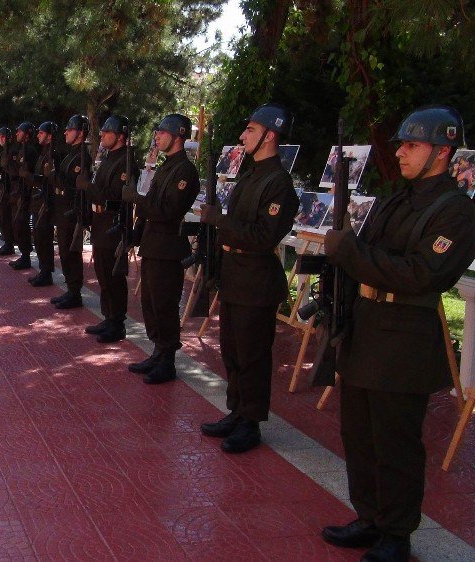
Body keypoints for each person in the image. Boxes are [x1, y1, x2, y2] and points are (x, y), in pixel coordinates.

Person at [320, 106, 475, 562]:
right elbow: (367, 251)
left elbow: (422, 275)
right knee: (359, 434)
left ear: (442, 151)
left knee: (396, 444)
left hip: (404, 336)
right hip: (366, 326)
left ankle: (396, 533)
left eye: (412, 145)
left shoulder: (456, 212)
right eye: (403, 145)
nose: (402, 153)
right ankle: (369, 517)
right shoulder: (397, 198)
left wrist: (351, 253)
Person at [197, 103, 299, 453]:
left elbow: (261, 237)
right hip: (235, 275)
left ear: (270, 135)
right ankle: (237, 412)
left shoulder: (279, 184)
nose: (243, 136)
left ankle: (251, 423)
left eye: (251, 130)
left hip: (257, 280)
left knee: (253, 356)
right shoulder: (251, 175)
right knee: (233, 351)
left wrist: (219, 221)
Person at [121, 113, 200, 383]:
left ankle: (168, 360)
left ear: (178, 136)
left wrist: (137, 202)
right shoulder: (165, 167)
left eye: (162, 133)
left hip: (169, 246)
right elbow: (152, 201)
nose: (157, 136)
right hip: (153, 244)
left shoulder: (185, 171)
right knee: (150, 302)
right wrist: (136, 232)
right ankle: (157, 351)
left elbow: (168, 210)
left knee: (165, 304)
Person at [83, 115, 138, 343]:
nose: (102, 135)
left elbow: (114, 195)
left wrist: (89, 188)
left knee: (114, 276)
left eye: (107, 132)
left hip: (113, 224)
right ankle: (108, 316)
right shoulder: (109, 159)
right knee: (103, 274)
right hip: (100, 223)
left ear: (121, 136)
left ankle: (117, 322)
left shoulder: (125, 162)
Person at [51, 114, 91, 310]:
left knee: (71, 253)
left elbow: (72, 184)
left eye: (70, 128)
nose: (65, 132)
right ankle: (71, 290)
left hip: (71, 211)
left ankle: (75, 293)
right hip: (62, 208)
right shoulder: (71, 154)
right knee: (65, 252)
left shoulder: (82, 156)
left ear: (81, 132)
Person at [28, 121, 63, 287]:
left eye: (41, 133)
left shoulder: (53, 153)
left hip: (47, 201)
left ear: (50, 135)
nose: (38, 135)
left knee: (44, 237)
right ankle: (43, 270)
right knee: (38, 237)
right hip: (38, 199)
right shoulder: (43, 152)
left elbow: (53, 178)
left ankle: (47, 272)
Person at [9, 121, 39, 270]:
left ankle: (26, 255)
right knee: (18, 224)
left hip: (28, 194)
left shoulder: (31, 151)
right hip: (20, 192)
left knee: (22, 223)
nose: (17, 134)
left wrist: (27, 175)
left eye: (19, 131)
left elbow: (35, 176)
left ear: (26, 134)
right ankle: (24, 254)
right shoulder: (22, 150)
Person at [0, 128, 14, 253]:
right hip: (3, 189)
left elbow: (11, 170)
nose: (0, 139)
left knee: (8, 219)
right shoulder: (3, 152)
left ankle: (10, 244)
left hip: (11, 190)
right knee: (2, 218)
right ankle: (7, 243)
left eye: (3, 137)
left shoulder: (11, 151)